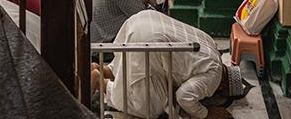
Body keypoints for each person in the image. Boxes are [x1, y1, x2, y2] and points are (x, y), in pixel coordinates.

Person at [95, 9, 250, 119]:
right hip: (150, 41)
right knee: (150, 105)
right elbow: (184, 97)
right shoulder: (214, 77)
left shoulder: (212, 46)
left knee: (129, 62)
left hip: (144, 19)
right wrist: (207, 114)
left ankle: (103, 70)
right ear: (223, 86)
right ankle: (100, 82)